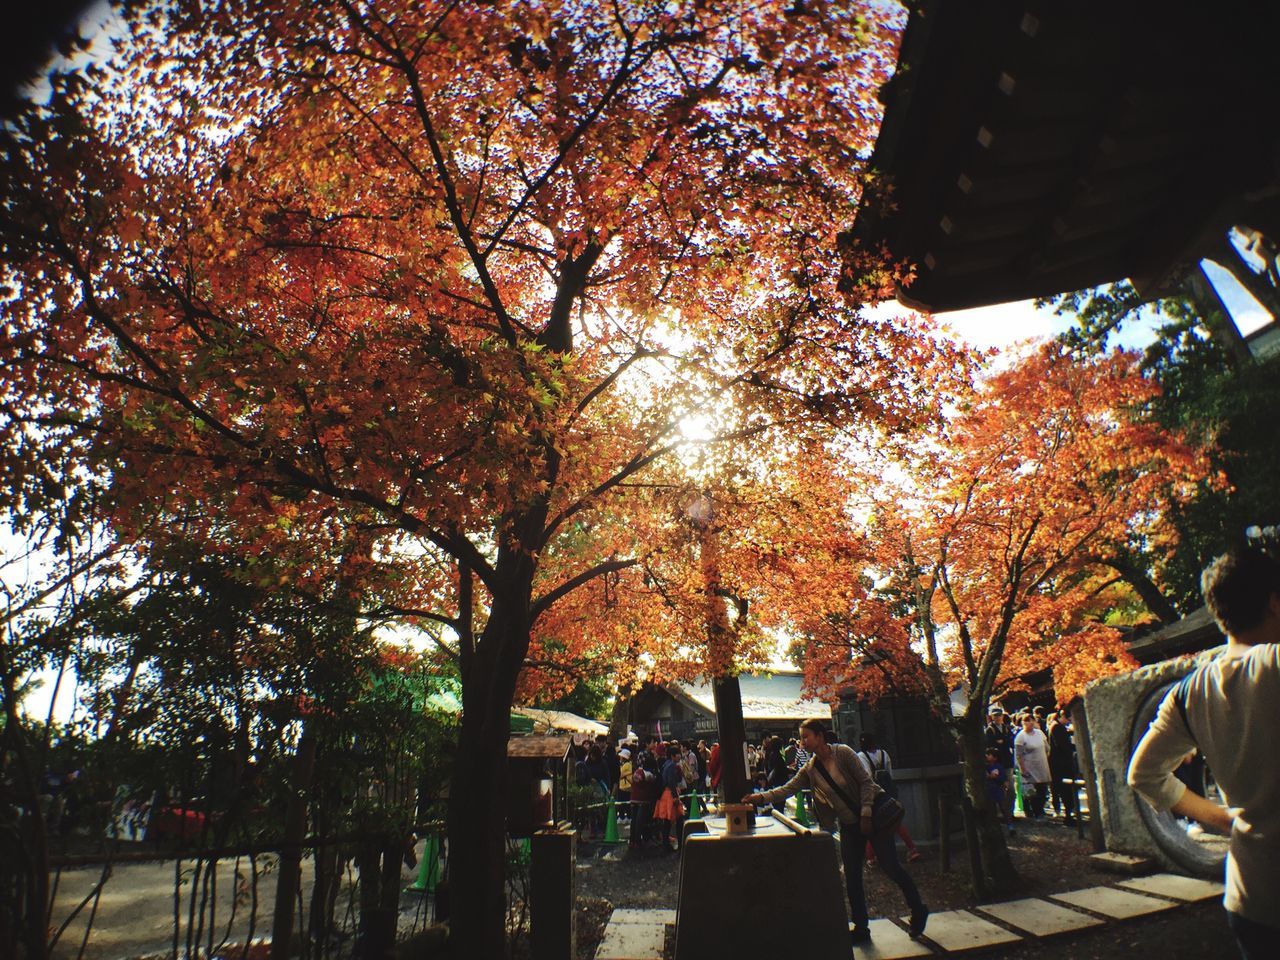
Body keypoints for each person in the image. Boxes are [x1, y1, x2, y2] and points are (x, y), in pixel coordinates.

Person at [1128, 546, 1280, 960]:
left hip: (1249, 893)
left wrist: (1224, 819)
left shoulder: (1189, 694)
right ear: (1272, 601)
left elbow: (1142, 774)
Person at [743, 717, 928, 945]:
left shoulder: (843, 753)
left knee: (891, 866)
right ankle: (861, 927)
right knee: (852, 877)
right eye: (801, 738)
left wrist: (867, 812)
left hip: (871, 818)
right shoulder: (810, 769)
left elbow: (865, 782)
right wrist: (760, 797)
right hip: (849, 826)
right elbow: (787, 789)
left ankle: (918, 908)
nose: (803, 742)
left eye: (806, 737)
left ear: (819, 736)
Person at [857, 733, 920, 864]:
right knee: (895, 821)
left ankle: (870, 857)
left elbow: (866, 777)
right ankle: (912, 849)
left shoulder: (862, 756)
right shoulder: (884, 754)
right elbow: (890, 773)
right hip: (888, 792)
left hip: (873, 794)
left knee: (872, 823)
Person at [984, 705, 1016, 833]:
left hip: (1007, 762)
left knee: (1011, 789)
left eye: (999, 715)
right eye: (995, 715)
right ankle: (1002, 815)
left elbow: (1010, 742)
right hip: (996, 764)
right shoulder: (990, 730)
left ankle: (1010, 813)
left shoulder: (1007, 729)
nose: (998, 718)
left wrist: (1002, 741)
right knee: (998, 789)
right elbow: (991, 745)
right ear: (992, 717)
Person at [1014, 712, 1050, 818]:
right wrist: (1023, 769)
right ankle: (1036, 812)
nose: (1029, 723)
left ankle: (1041, 810)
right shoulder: (1020, 737)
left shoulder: (1040, 733)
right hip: (1029, 767)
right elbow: (1019, 755)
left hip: (1042, 765)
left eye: (1030, 720)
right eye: (1026, 721)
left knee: (1043, 790)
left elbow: (1047, 747)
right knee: (1033, 792)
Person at [1046, 711, 1078, 823]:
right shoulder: (1057, 728)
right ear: (1063, 717)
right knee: (1065, 789)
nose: (1069, 722)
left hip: (1058, 763)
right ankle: (1068, 815)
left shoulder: (1055, 726)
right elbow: (1063, 745)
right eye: (1068, 719)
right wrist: (1074, 747)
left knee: (1064, 789)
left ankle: (1068, 813)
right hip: (1060, 764)